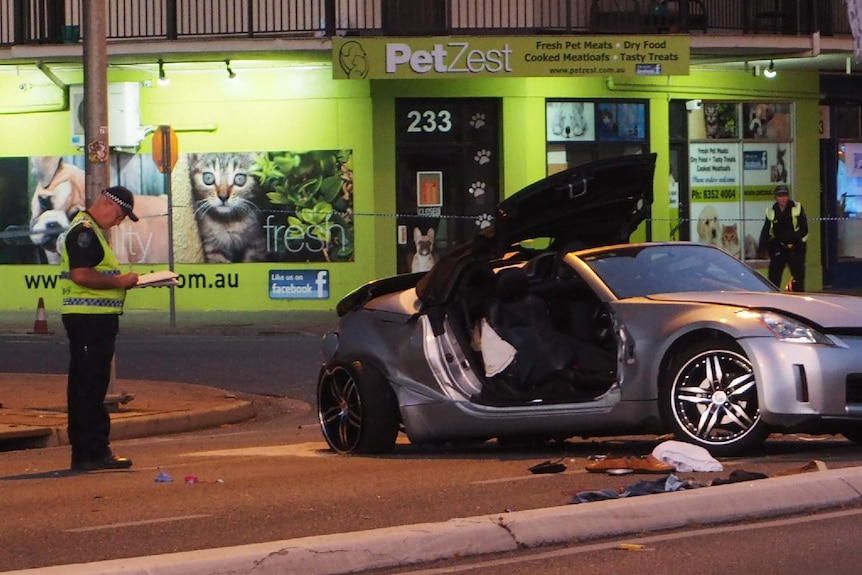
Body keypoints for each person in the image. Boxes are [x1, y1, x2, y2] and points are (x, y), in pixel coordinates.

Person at [60, 186, 139, 471]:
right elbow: (81, 275)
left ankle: (90, 451)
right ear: (106, 203)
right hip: (88, 320)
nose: (118, 223)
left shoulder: (89, 231)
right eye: (119, 216)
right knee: (89, 387)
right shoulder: (84, 233)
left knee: (90, 385)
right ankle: (91, 451)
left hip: (93, 320)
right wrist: (121, 282)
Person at [759, 184, 808, 292]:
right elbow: (766, 230)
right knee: (774, 277)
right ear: (776, 197)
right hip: (778, 246)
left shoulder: (797, 208)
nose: (783, 198)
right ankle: (775, 300)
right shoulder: (771, 210)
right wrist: (763, 247)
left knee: (798, 278)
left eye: (785, 195)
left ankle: (798, 301)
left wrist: (792, 237)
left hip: (795, 246)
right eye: (780, 196)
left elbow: (804, 229)